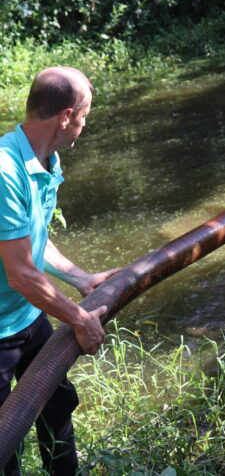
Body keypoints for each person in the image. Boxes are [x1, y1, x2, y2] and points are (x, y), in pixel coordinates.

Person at [0, 67, 119, 475]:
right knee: (3, 442)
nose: (84, 126)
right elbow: (21, 275)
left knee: (57, 405)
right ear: (66, 116)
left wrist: (80, 278)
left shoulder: (46, 162)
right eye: (84, 116)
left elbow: (34, 236)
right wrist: (80, 318)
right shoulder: (5, 172)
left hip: (28, 316)